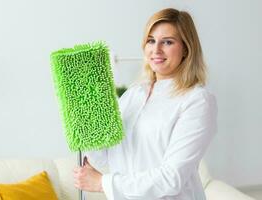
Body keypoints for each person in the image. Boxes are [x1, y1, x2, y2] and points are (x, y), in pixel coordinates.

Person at [73, 8, 217, 200]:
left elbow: (171, 178)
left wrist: (101, 183)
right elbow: (107, 158)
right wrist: (89, 124)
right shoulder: (133, 95)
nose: (156, 49)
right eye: (151, 40)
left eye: (167, 42)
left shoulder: (196, 101)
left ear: (186, 49)